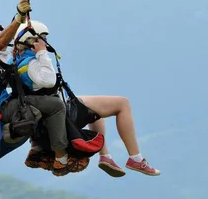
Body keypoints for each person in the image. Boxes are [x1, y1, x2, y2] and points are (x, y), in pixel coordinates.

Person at [12, 20, 161, 177]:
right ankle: (135, 158)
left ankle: (106, 156)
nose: (46, 43)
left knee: (94, 109)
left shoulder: (17, 60)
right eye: (42, 39)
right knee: (122, 103)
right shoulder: (32, 63)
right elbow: (49, 80)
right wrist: (42, 54)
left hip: (45, 112)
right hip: (58, 114)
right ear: (34, 41)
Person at [0, 0, 87, 177]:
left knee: (33, 100)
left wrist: (14, 26)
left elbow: (2, 51)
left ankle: (37, 150)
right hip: (0, 110)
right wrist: (19, 18)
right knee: (54, 105)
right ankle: (61, 158)